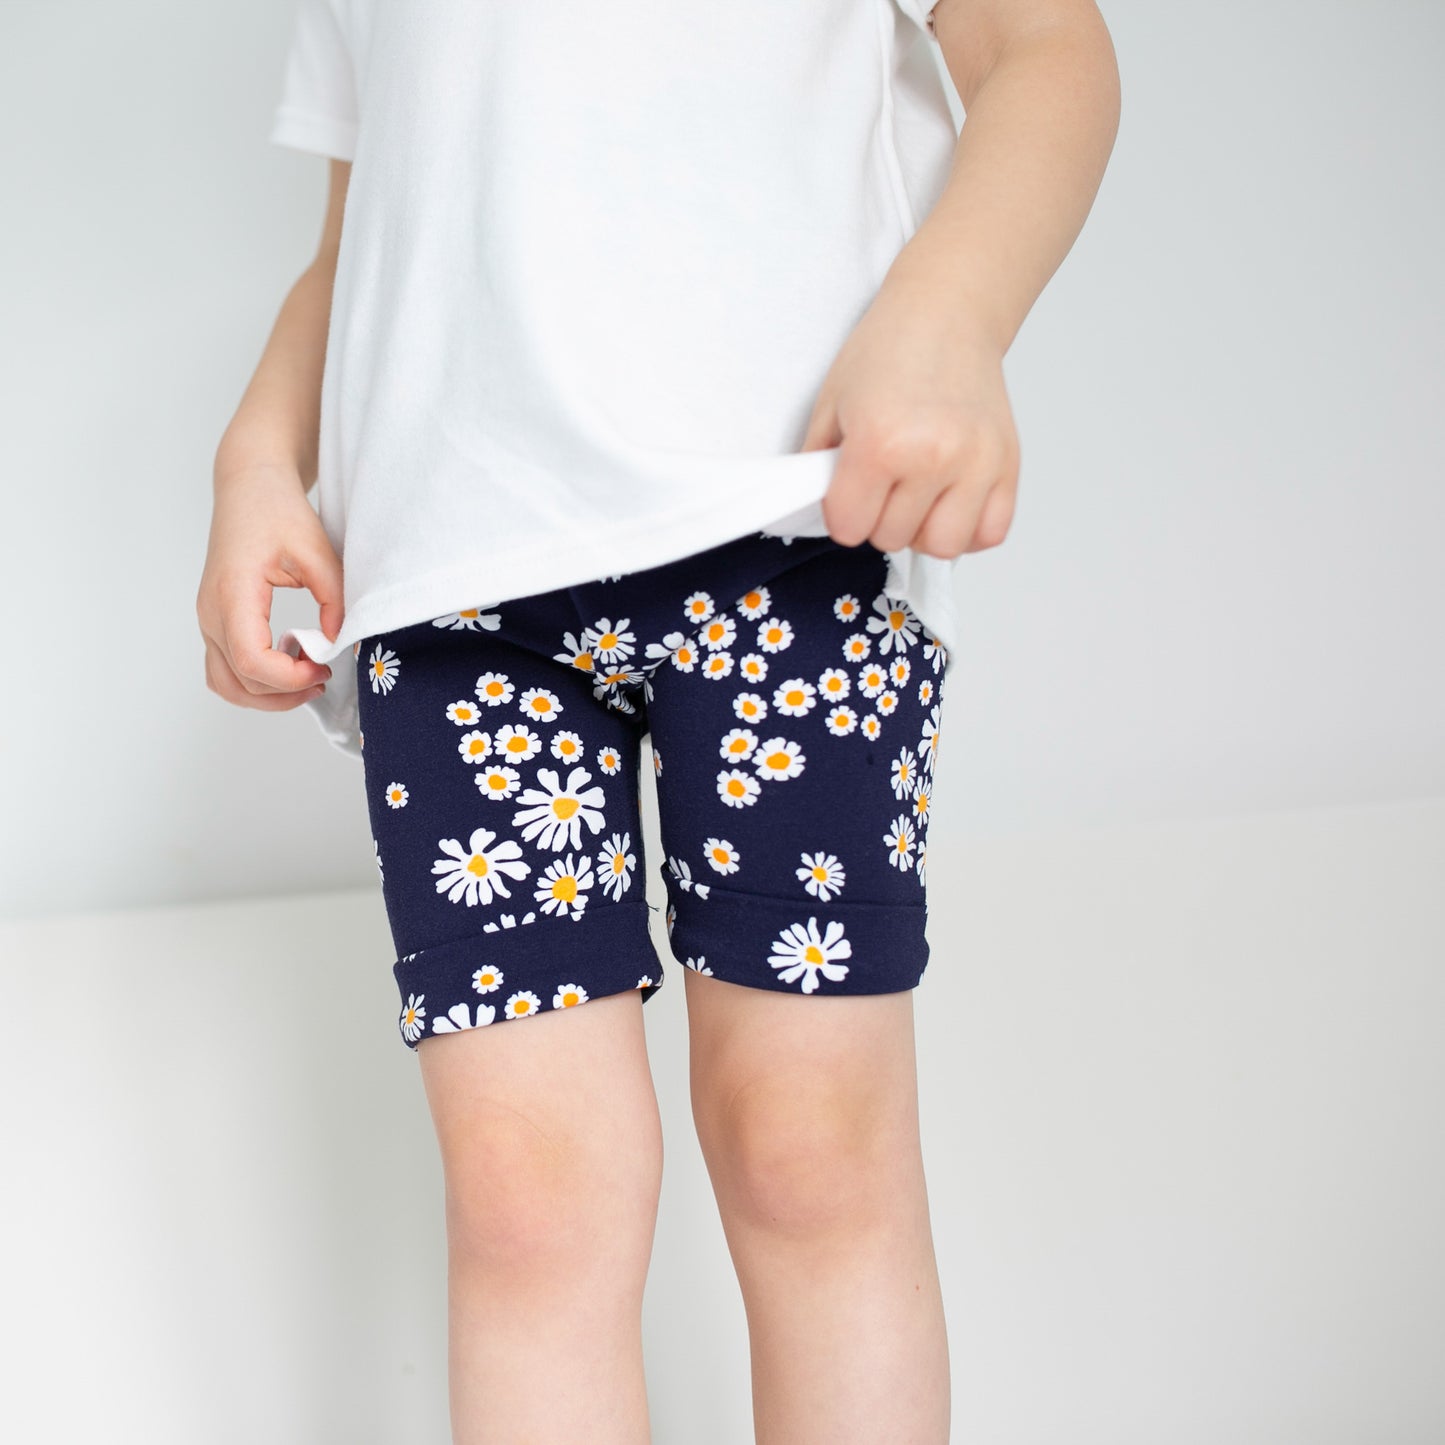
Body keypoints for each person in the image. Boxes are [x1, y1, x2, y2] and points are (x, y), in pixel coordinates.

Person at [195, 0, 1120, 1438]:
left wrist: (952, 317)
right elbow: (369, 215)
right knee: (526, 1196)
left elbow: (1047, 50)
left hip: (790, 530)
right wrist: (259, 453)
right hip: (450, 590)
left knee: (806, 1151)